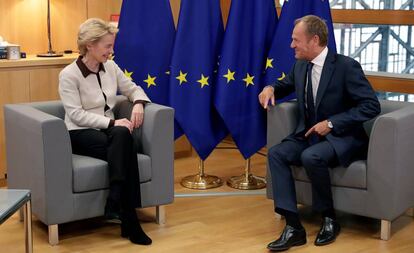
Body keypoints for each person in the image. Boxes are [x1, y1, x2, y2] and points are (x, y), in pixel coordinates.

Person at [258, 15, 380, 251]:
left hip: (342, 137)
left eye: (296, 40)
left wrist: (332, 123)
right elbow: (285, 85)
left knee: (311, 156)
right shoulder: (301, 65)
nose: (292, 45)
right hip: (309, 135)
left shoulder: (346, 66)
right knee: (276, 153)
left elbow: (370, 106)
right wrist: (270, 87)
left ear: (314, 40)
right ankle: (294, 227)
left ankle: (329, 218)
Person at [58, 18, 152, 245]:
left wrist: (138, 102)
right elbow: (76, 115)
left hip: (110, 132)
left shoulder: (111, 67)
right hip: (79, 132)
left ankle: (116, 199)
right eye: (108, 46)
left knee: (123, 137)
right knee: (124, 139)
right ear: (90, 45)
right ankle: (130, 222)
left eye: (112, 45)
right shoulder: (69, 75)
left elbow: (133, 88)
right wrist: (113, 123)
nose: (112, 51)